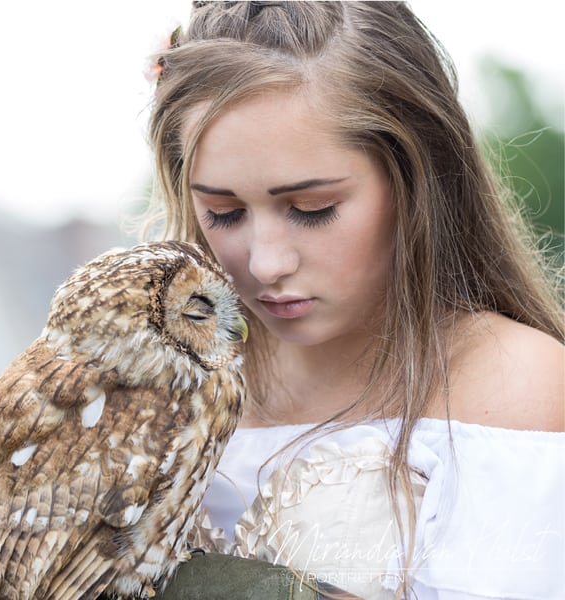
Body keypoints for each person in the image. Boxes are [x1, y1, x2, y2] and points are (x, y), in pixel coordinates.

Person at [141, 2, 564, 599]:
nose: (265, 262)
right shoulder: (168, 392)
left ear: (416, 181)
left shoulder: (511, 383)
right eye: (223, 212)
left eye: (312, 209)